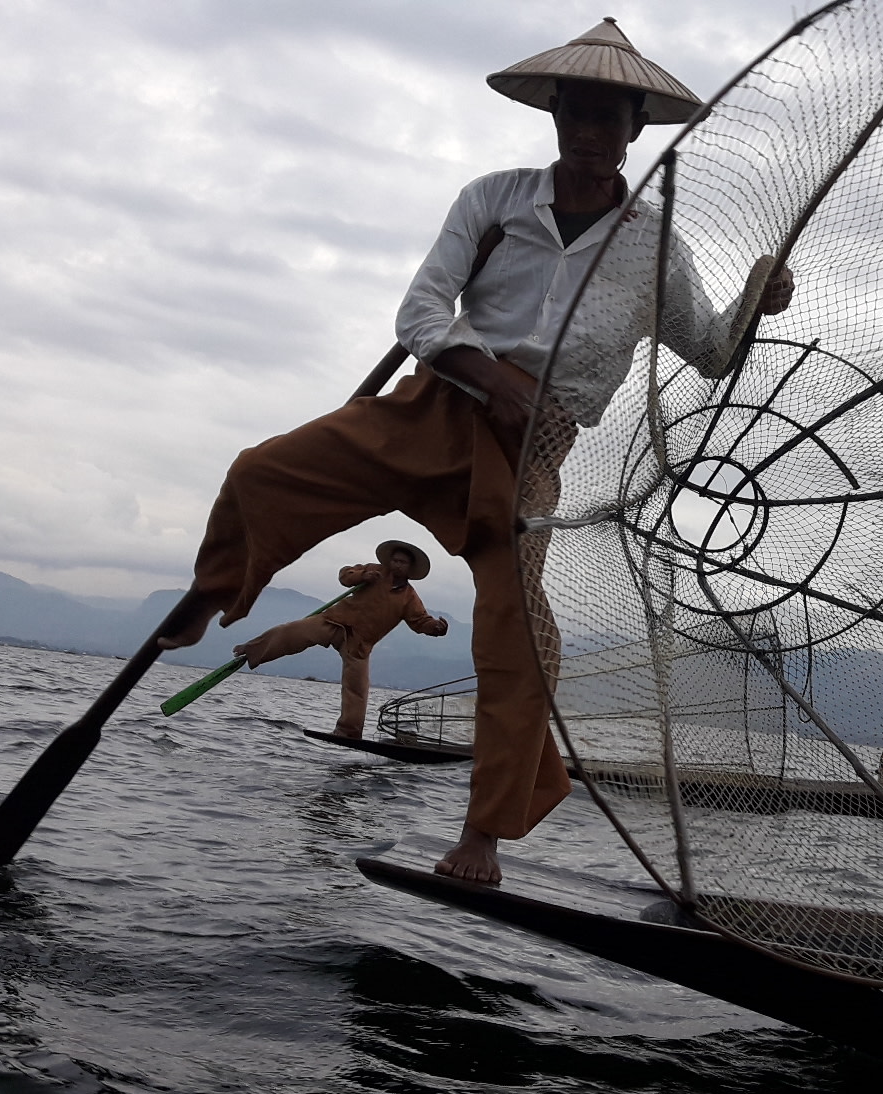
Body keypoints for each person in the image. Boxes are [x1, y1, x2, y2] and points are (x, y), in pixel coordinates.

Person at [158, 18, 793, 883]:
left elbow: (714, 354)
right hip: (434, 402)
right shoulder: (494, 199)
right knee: (262, 470)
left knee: (519, 632)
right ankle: (212, 591)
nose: (593, 132)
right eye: (579, 112)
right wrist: (494, 381)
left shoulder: (653, 244)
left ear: (636, 130)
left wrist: (762, 296)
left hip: (531, 451)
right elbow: (419, 316)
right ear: (556, 114)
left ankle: (483, 836)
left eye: (612, 118)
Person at [230, 540, 449, 740]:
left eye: (402, 562)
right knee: (291, 632)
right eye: (395, 560)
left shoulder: (410, 598)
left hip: (359, 644)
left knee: (357, 689)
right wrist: (362, 577)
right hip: (334, 622)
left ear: (409, 568)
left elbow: (420, 621)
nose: (398, 565)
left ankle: (348, 733)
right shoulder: (374, 570)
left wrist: (437, 628)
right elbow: (345, 575)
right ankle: (252, 650)